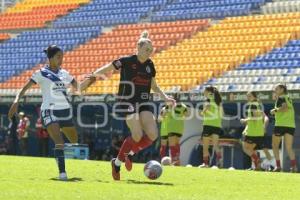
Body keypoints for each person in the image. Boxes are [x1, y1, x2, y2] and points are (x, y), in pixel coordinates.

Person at [81, 31, 175, 180]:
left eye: (151, 50)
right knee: (137, 136)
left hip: (144, 101)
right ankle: (118, 164)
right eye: (146, 49)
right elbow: (108, 68)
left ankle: (125, 156)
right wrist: (92, 76)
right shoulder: (127, 60)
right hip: (127, 101)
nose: (149, 52)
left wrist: (165, 97)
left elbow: (154, 86)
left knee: (153, 134)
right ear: (138, 47)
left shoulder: (150, 65)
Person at [8, 45, 80, 180]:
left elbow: (80, 87)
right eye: (58, 57)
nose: (61, 59)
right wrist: (16, 101)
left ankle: (58, 150)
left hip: (64, 111)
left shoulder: (65, 73)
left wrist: (92, 79)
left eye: (62, 57)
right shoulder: (41, 73)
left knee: (74, 139)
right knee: (59, 142)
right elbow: (23, 89)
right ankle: (62, 173)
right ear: (50, 58)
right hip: (49, 110)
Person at [270, 84, 297, 172]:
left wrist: (275, 111)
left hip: (281, 124)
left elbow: (284, 108)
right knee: (289, 147)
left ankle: (278, 166)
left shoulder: (281, 97)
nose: (275, 90)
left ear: (282, 89)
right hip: (291, 125)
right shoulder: (288, 97)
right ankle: (294, 167)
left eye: (276, 88)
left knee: (275, 145)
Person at [240, 91, 269, 170]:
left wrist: (244, 120)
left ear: (254, 97)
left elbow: (255, 118)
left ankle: (257, 160)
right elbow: (261, 117)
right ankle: (257, 166)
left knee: (245, 148)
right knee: (252, 149)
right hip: (258, 132)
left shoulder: (253, 105)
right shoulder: (257, 105)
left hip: (252, 132)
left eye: (249, 96)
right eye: (247, 96)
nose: (248, 98)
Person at [159, 99, 189, 165]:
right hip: (164, 129)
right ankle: (163, 161)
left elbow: (185, 115)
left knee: (174, 145)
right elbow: (159, 119)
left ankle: (175, 161)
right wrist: (163, 117)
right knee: (163, 145)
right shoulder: (164, 109)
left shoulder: (175, 108)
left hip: (172, 128)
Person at [199, 86, 223, 168]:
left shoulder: (207, 101)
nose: (203, 93)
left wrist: (205, 110)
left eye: (204, 91)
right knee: (215, 145)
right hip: (217, 125)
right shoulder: (218, 101)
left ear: (208, 91)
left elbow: (203, 114)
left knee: (205, 147)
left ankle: (205, 164)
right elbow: (222, 114)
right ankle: (220, 160)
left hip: (208, 125)